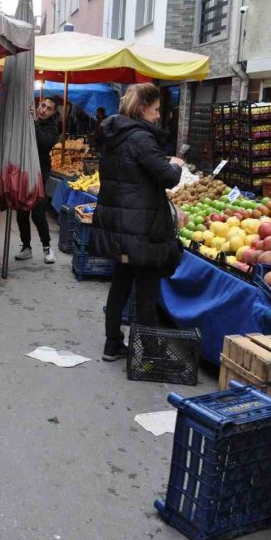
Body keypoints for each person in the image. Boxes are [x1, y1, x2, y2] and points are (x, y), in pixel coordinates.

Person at [92, 83, 185, 362]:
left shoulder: (114, 135)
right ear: (143, 108)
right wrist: (177, 164)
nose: (158, 116)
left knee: (121, 282)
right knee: (146, 290)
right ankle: (150, 355)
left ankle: (112, 344)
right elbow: (168, 178)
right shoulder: (142, 139)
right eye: (156, 110)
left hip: (121, 224)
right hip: (142, 227)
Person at [15, 95, 60, 264]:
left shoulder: (52, 129)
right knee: (21, 212)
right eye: (42, 105)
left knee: (38, 213)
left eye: (48, 108)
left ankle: (47, 248)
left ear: (53, 112)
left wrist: (33, 121)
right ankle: (26, 247)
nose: (43, 110)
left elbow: (42, 142)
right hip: (23, 171)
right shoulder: (29, 121)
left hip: (40, 173)